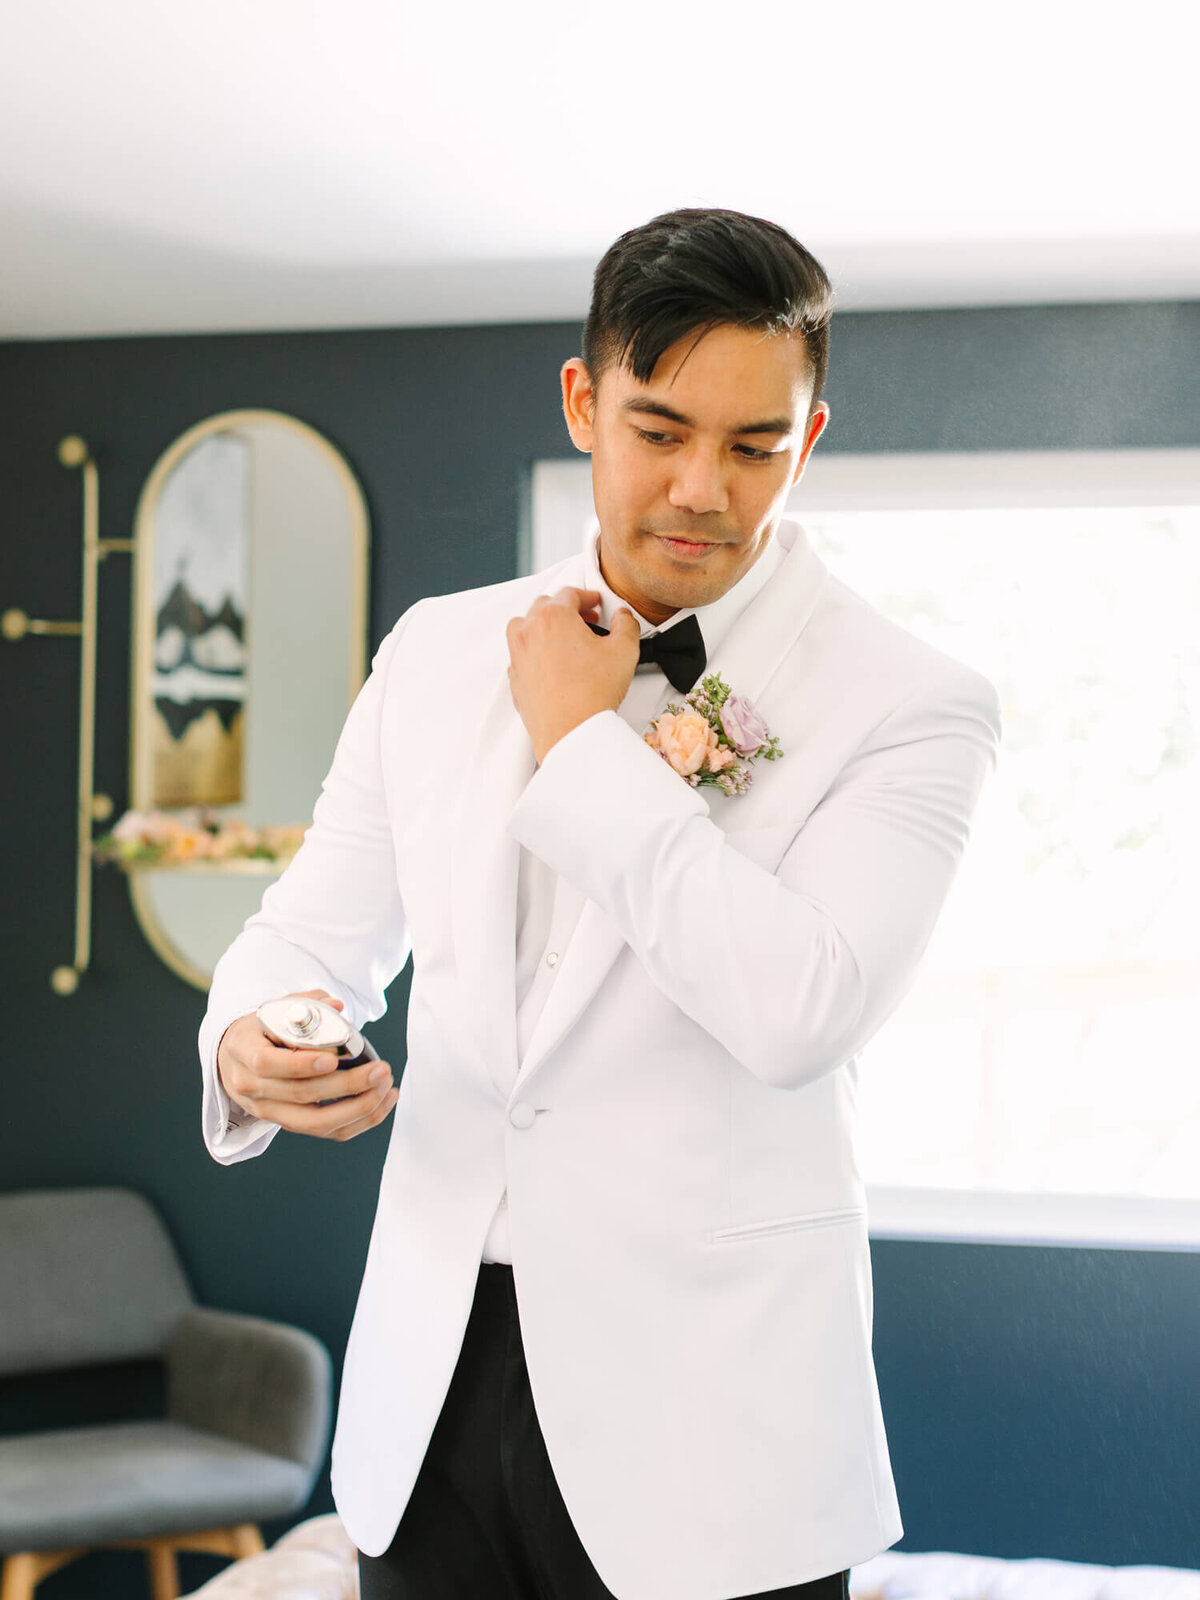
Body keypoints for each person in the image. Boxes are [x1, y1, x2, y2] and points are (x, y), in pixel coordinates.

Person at [199, 207, 1003, 1600]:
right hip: (430, 1405)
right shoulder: (439, 650)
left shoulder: (913, 703)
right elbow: (310, 930)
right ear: (585, 404)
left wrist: (582, 749)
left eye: (756, 445)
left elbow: (802, 1009)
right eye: (660, 428)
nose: (703, 486)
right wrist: (253, 1033)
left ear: (807, 441)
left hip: (716, 1437)